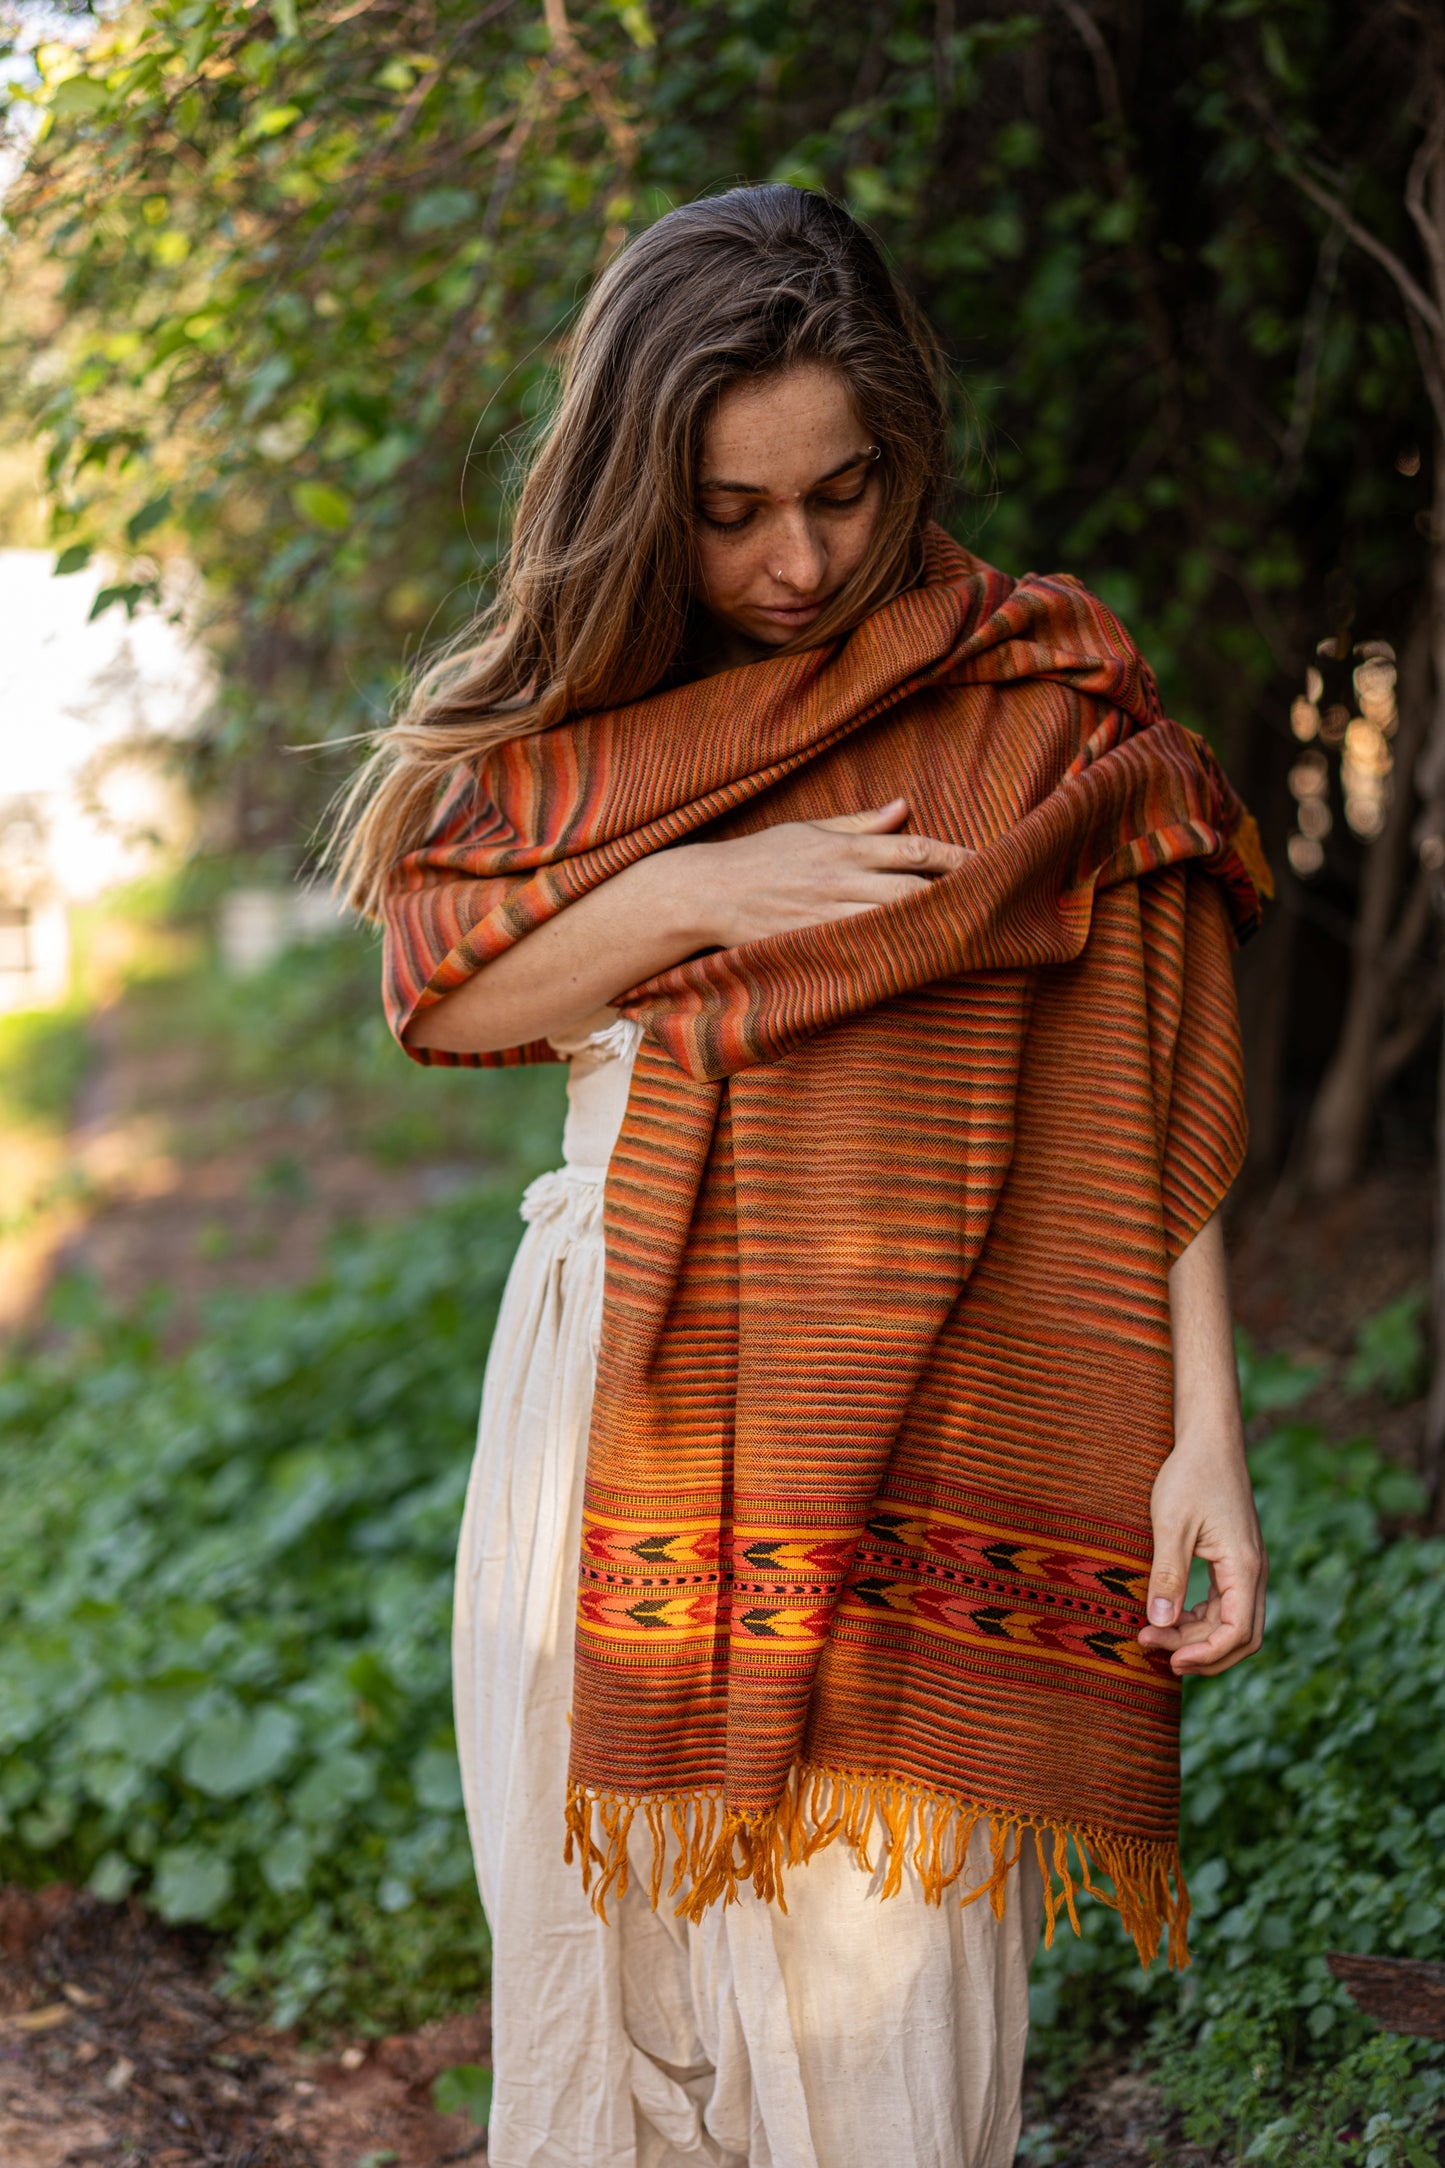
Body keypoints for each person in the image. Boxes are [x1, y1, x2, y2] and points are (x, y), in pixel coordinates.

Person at [329, 183, 1269, 2168]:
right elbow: (448, 993)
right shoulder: (586, 741)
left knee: (885, 2014)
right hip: (627, 1404)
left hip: (940, 1412)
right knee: (624, 1978)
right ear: (639, 495)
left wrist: (1206, 1434)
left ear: (901, 453)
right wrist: (703, 888)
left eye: (841, 494)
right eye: (732, 510)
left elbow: (1141, 1068)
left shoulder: (1031, 693)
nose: (798, 559)